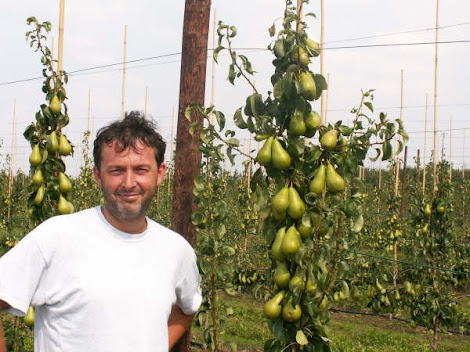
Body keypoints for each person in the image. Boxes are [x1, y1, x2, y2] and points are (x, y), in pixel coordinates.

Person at [0, 111, 202, 352]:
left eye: (141, 170)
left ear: (160, 174)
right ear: (98, 176)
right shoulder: (56, 238)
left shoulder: (176, 250)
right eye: (116, 170)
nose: (129, 183)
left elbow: (188, 306)